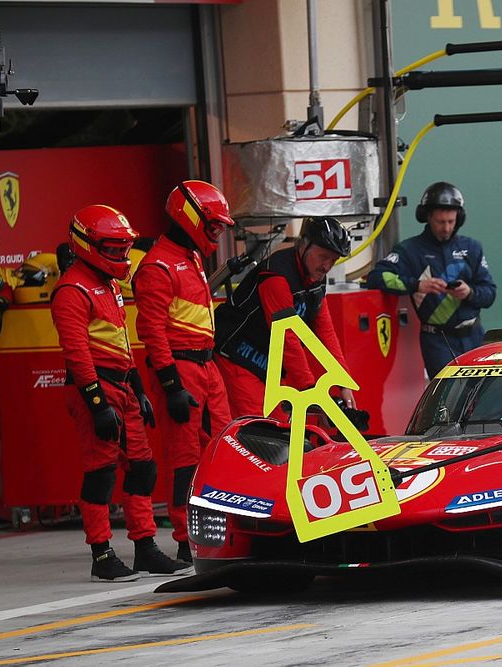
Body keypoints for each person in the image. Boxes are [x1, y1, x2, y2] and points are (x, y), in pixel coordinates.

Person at [51, 205, 191, 581]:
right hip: (93, 389)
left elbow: (122, 342)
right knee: (101, 473)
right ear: (86, 245)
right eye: (111, 249)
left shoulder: (109, 285)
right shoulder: (71, 290)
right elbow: (78, 354)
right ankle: (101, 555)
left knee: (142, 470)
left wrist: (140, 390)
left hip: (123, 387)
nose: (120, 256)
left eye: (123, 249)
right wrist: (97, 405)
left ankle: (145, 547)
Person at [133, 180, 234, 564]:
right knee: (185, 459)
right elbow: (152, 332)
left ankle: (220, 529)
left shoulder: (190, 258)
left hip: (206, 366)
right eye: (214, 226)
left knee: (224, 449)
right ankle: (183, 538)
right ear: (191, 217)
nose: (217, 234)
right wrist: (171, 385)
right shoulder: (158, 265)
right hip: (182, 368)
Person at [214, 216, 357, 422]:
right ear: (304, 244)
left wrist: (343, 382)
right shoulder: (277, 276)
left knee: (279, 432)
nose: (327, 266)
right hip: (237, 355)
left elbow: (325, 331)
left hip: (268, 366)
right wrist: (310, 390)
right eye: (323, 256)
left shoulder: (315, 278)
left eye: (333, 260)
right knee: (255, 432)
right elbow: (287, 336)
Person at [366, 182, 496, 378]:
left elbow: (490, 294)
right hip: (437, 342)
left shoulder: (472, 247)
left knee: (478, 399)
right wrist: (416, 285)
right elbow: (376, 278)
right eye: (440, 222)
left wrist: (469, 292)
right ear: (427, 217)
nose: (446, 228)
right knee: (448, 401)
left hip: (474, 337)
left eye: (451, 222)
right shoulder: (410, 250)